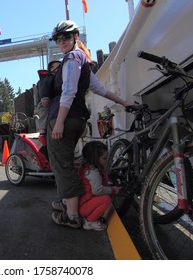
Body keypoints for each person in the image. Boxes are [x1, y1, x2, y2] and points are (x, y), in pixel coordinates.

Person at [48, 20, 134, 228]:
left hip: (65, 118)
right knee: (68, 163)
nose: (62, 43)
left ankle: (72, 216)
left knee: (63, 166)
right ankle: (70, 203)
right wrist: (124, 102)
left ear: (76, 37)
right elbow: (100, 90)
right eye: (58, 40)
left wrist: (58, 123)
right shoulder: (83, 62)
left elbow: (68, 92)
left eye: (66, 37)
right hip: (78, 119)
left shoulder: (72, 59)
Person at [78, 141, 121, 231]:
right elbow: (97, 190)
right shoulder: (93, 172)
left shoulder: (87, 168)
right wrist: (112, 190)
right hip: (83, 207)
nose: (107, 160)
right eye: (104, 158)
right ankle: (89, 221)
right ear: (95, 158)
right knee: (106, 199)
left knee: (105, 197)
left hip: (81, 203)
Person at [34, 60, 61, 146]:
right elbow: (44, 87)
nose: (58, 69)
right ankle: (42, 134)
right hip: (44, 104)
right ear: (51, 69)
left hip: (49, 102)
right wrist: (45, 97)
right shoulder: (48, 77)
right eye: (57, 67)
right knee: (43, 116)